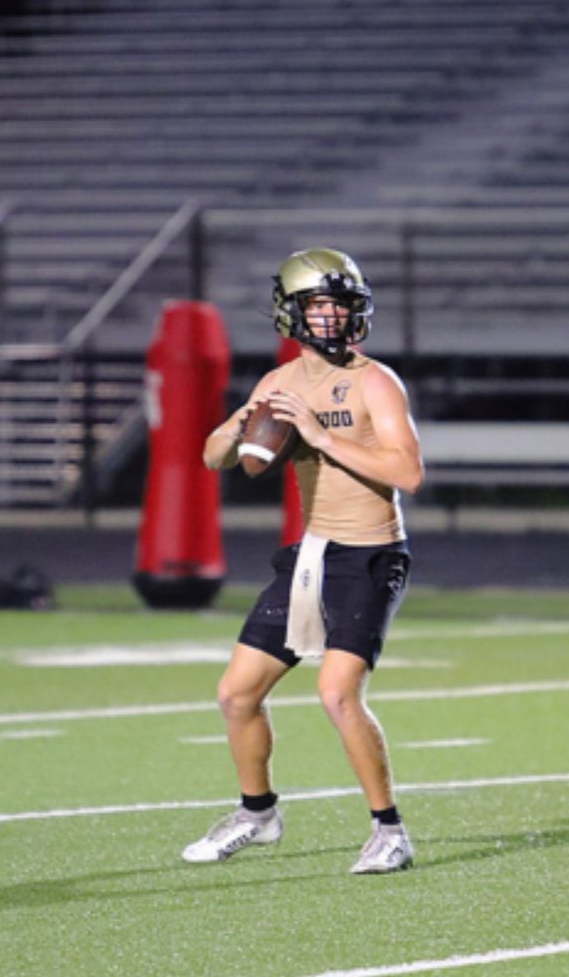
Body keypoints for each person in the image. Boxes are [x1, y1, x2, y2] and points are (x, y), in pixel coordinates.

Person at [182, 247, 424, 874]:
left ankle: (390, 831)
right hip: (313, 557)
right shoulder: (278, 384)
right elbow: (214, 458)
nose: (332, 317)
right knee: (236, 694)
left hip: (370, 555)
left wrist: (320, 436)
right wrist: (239, 424)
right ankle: (258, 814)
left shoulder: (375, 381)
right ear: (291, 312)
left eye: (341, 306)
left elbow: (407, 472)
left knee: (338, 693)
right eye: (319, 306)